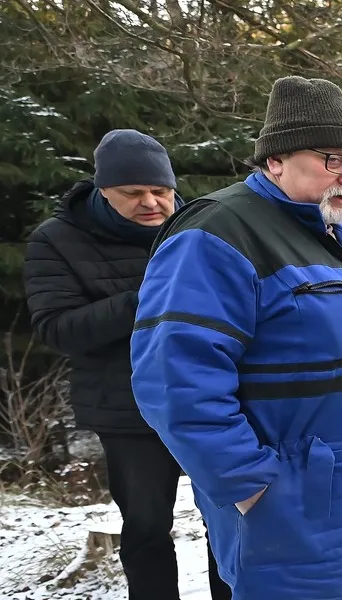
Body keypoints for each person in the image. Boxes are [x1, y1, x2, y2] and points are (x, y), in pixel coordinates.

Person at [130, 76, 342, 600]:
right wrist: (250, 484)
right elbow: (173, 379)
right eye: (334, 158)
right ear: (274, 161)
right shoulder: (220, 232)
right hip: (296, 502)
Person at [24, 130, 232, 600]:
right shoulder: (56, 240)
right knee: (146, 528)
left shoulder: (200, 228)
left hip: (209, 402)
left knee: (228, 519)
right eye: (133, 193)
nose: (152, 203)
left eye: (161, 191)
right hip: (127, 410)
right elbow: (59, 329)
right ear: (102, 191)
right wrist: (148, 301)